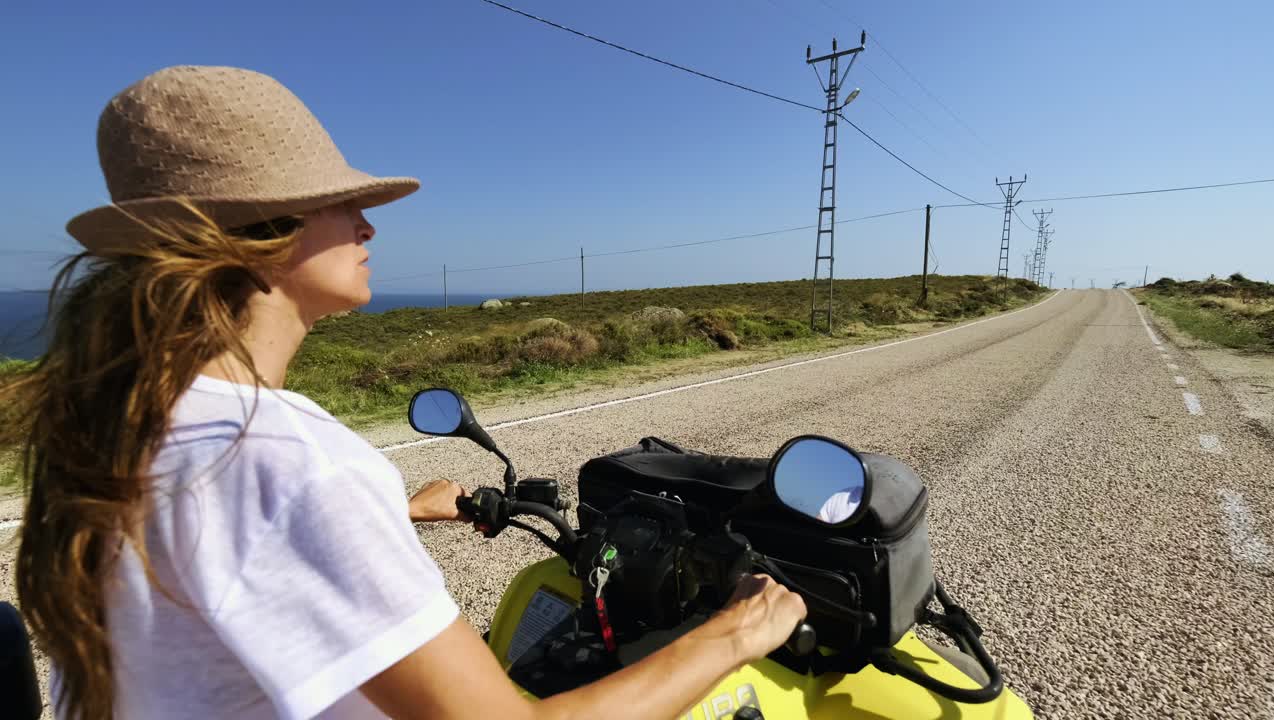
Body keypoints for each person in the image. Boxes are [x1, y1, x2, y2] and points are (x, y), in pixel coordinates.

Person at [5, 66, 806, 720]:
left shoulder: (129, 421)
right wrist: (734, 633)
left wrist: (395, 511)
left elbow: (220, 560)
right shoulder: (288, 460)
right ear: (250, 232)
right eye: (338, 200)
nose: (368, 224)